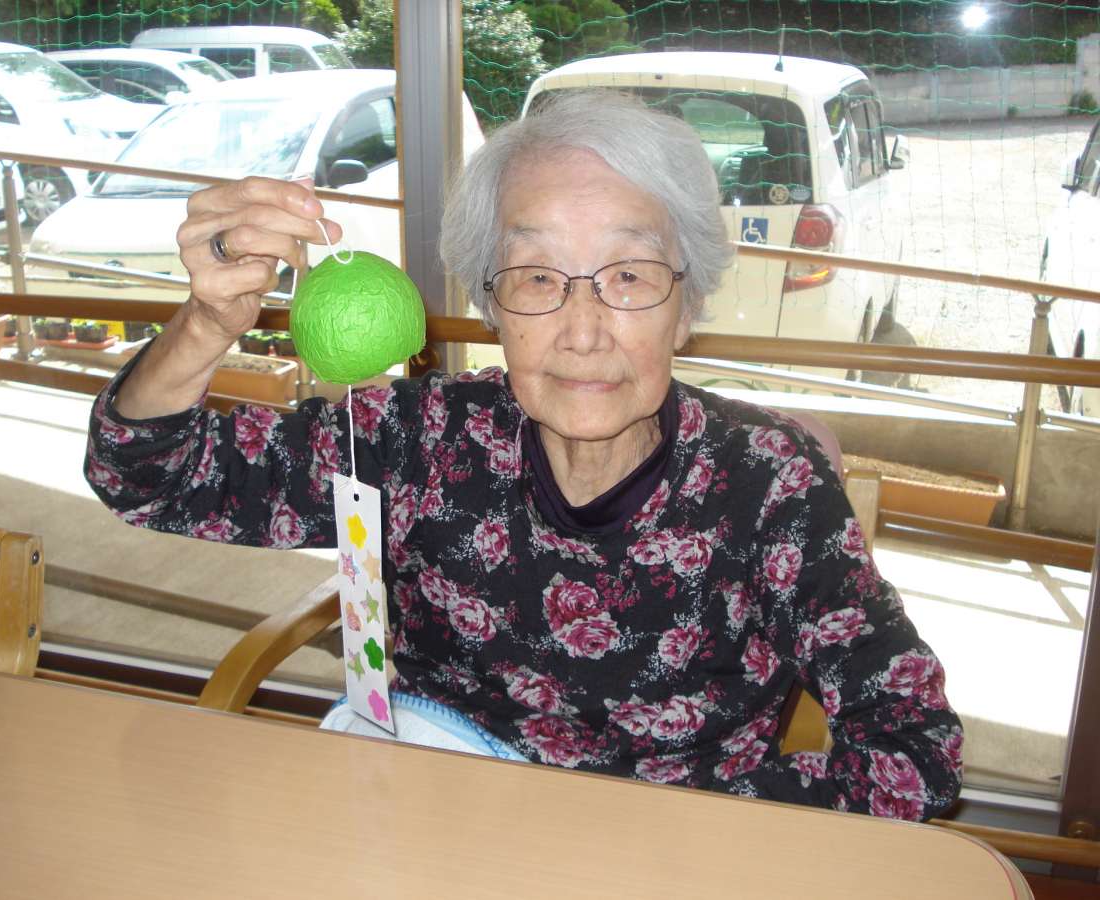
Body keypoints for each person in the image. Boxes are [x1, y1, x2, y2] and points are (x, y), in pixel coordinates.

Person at [86, 90, 963, 820]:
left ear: (687, 307)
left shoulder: (768, 483)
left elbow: (913, 752)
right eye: (538, 277)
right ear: (494, 307)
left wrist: (672, 829)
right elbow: (146, 478)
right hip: (435, 834)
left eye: (629, 276)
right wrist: (207, 323)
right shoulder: (420, 441)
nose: (582, 332)